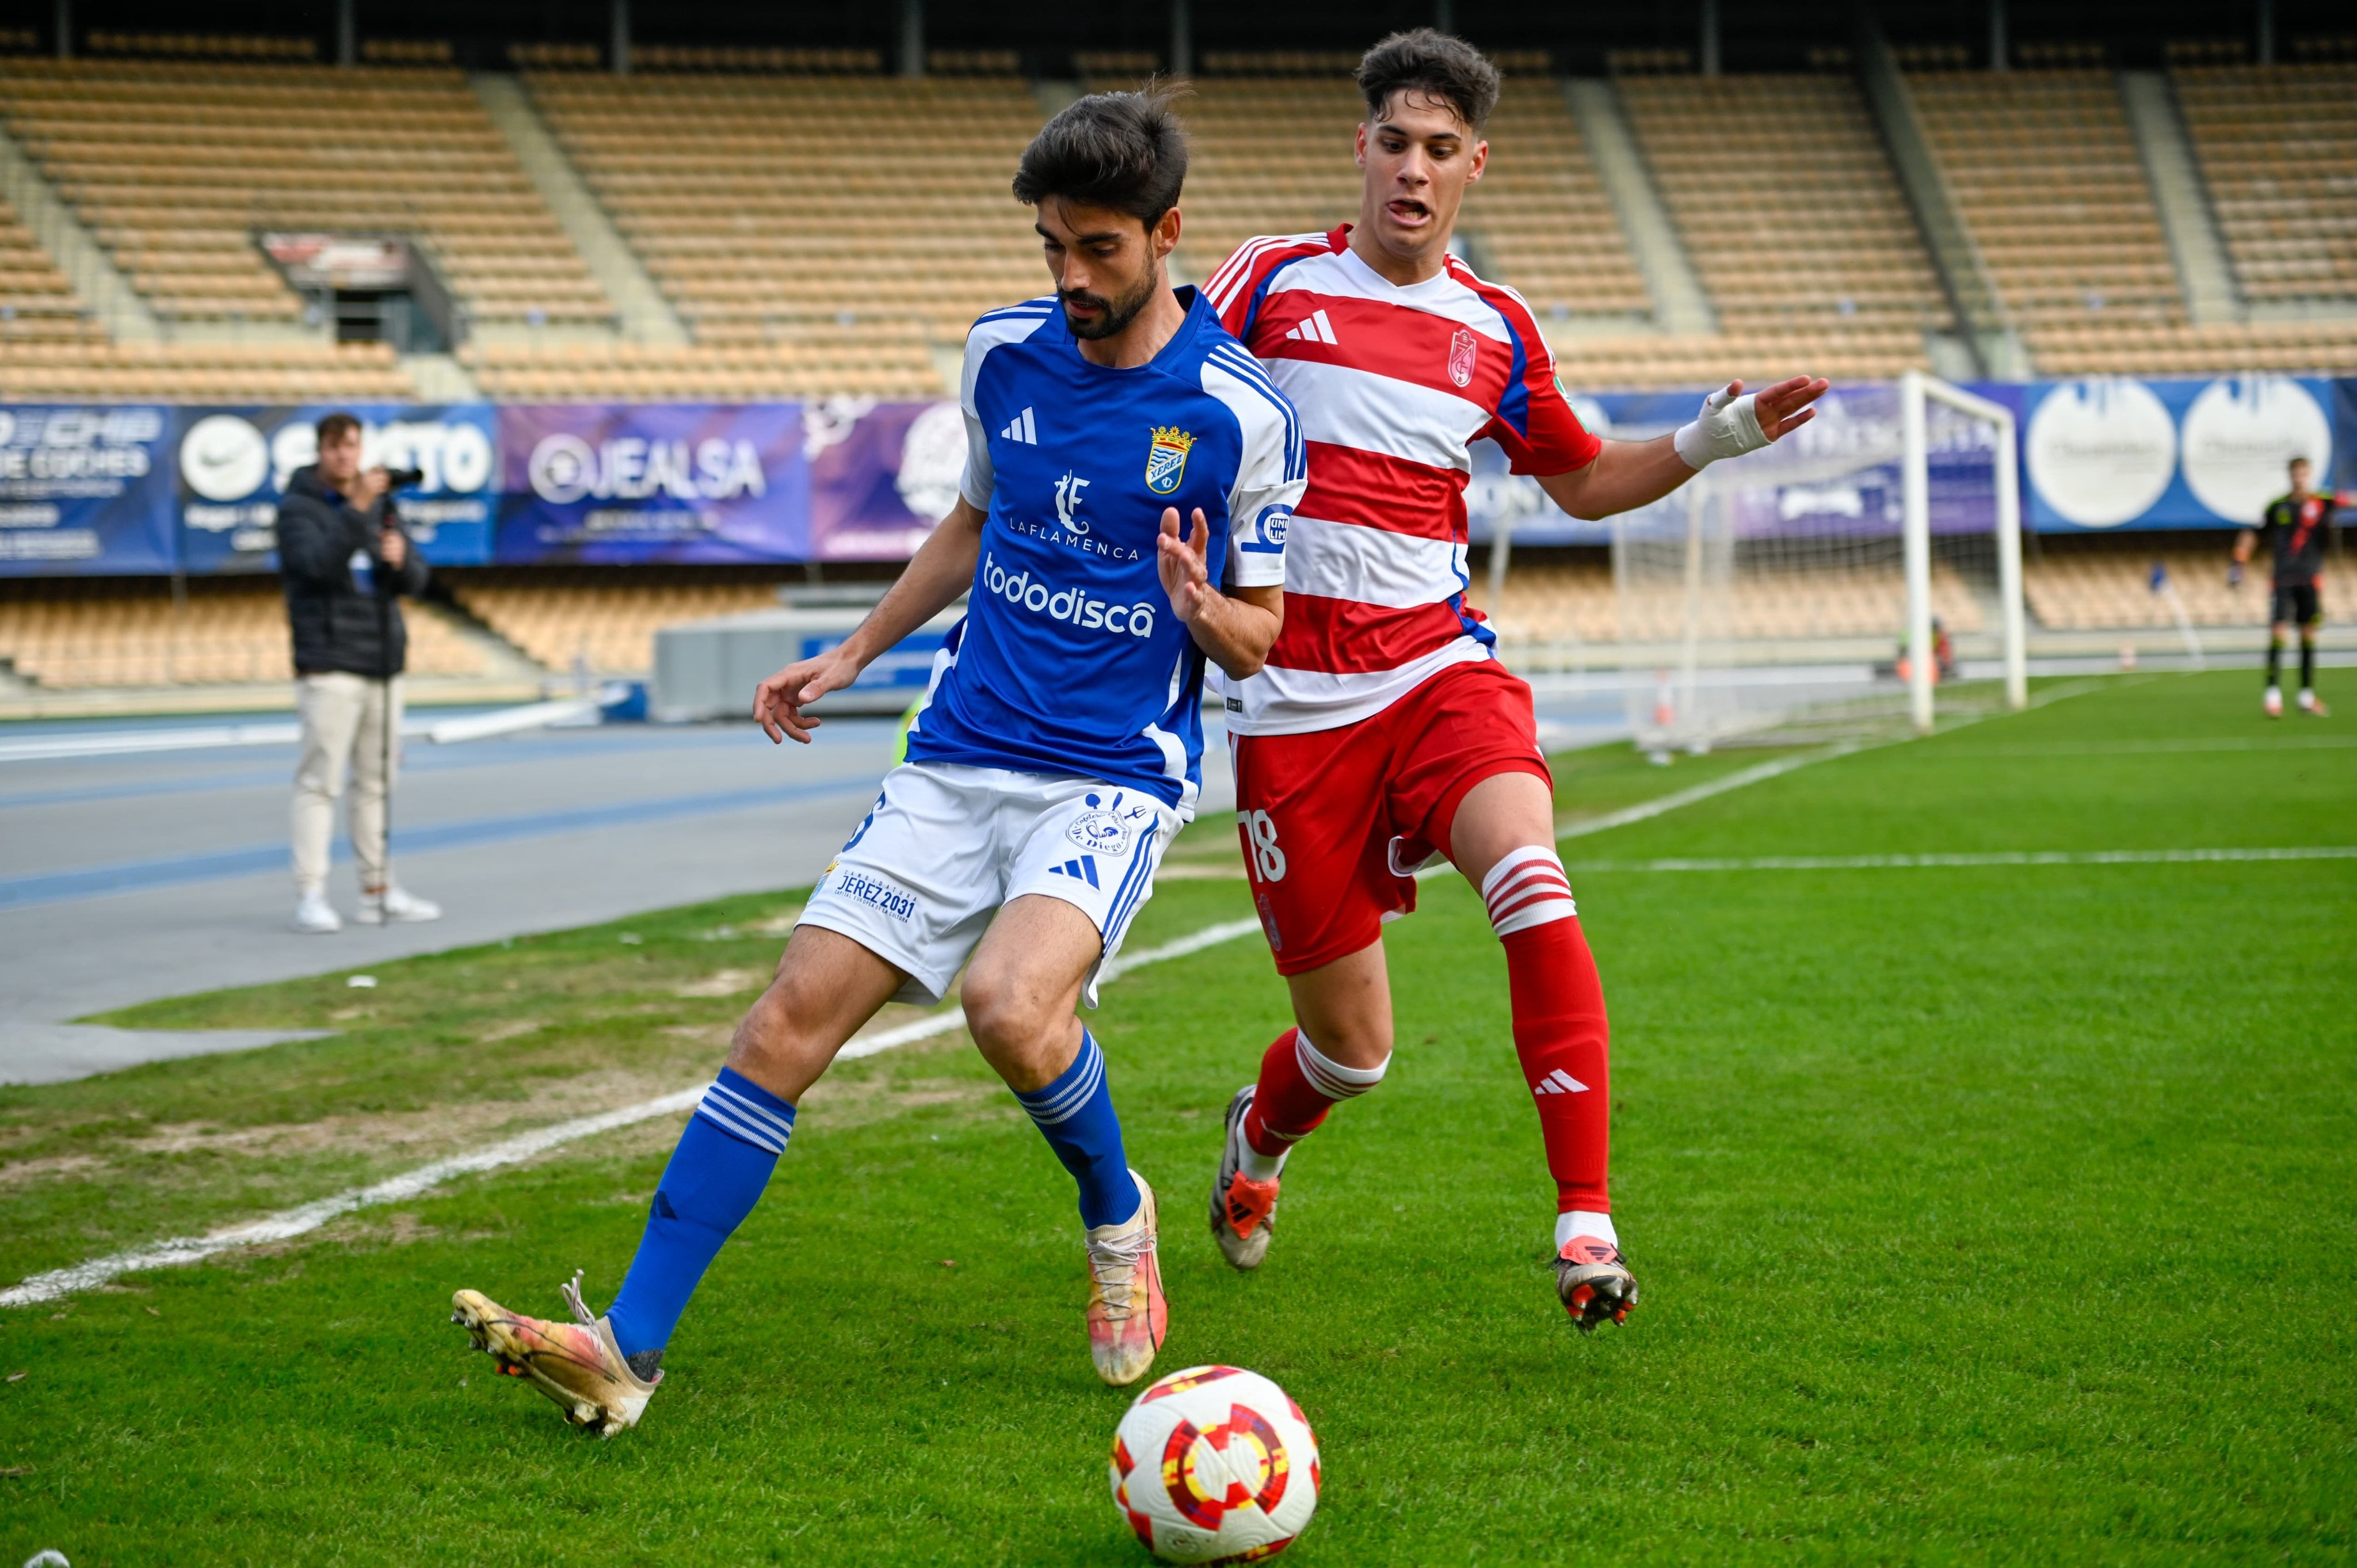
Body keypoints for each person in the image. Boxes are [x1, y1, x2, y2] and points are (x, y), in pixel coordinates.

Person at [452, 86, 1304, 1435]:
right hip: (958, 752)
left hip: (1110, 775)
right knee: (784, 1018)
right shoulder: (1000, 355)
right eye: (1051, 249)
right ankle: (628, 1350)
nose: (1071, 278)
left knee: (1010, 1008)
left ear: (1166, 234)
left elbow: (1263, 633)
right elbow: (973, 519)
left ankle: (1115, 1209)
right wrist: (852, 654)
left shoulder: (1236, 413)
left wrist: (1211, 616)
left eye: (1099, 250)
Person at [1197, 30, 1828, 1331]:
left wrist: (1713, 437)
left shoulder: (1496, 324)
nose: (1412, 171)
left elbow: (1583, 480)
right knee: (1350, 1055)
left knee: (1534, 884)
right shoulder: (1264, 281)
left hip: (1438, 669)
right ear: (1358, 149)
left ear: (1474, 166)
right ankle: (1259, 1138)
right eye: (1393, 144)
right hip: (1292, 710)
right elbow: (1167, 399)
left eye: (1440, 151)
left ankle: (1585, 1224)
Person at [276, 411, 442, 934]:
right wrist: (358, 508)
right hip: (330, 662)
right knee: (319, 782)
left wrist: (401, 559)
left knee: (377, 783)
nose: (346, 456)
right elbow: (318, 565)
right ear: (321, 451)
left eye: (353, 447)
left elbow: (415, 580)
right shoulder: (298, 508)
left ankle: (379, 889)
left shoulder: (380, 507)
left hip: (381, 660)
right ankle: (311, 894)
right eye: (335, 447)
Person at [2233, 456, 2335, 718]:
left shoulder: (2322, 501)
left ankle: (2306, 697)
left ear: (2309, 475)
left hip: (2311, 578)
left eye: (2304, 474)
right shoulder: (2278, 506)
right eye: (2296, 474)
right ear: (2290, 476)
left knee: (2308, 635)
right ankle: (2273, 696)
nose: (2299, 479)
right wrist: (2238, 563)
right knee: (2278, 633)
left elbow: (2349, 500)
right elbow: (2252, 533)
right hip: (2283, 580)